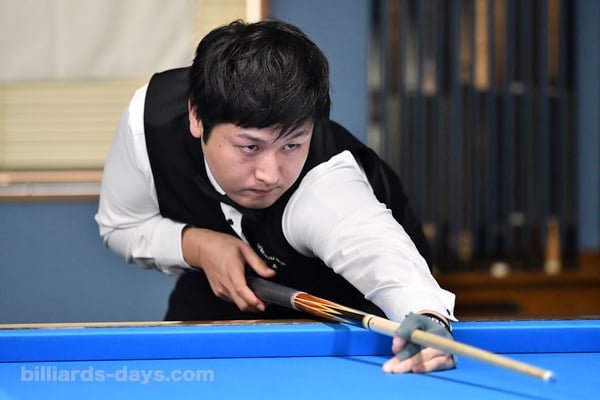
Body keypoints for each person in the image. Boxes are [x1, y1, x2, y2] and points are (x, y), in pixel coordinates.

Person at [95, 19, 456, 374]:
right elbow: (121, 226)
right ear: (196, 117)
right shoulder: (149, 121)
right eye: (250, 146)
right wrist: (199, 246)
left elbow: (381, 256)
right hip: (224, 288)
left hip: (351, 308)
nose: (270, 174)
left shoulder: (325, 186)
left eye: (292, 145)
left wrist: (426, 314)